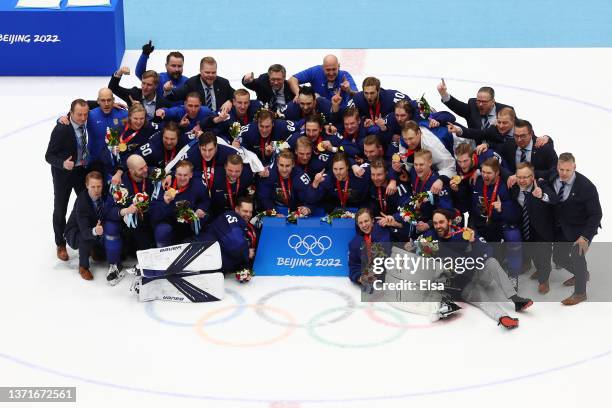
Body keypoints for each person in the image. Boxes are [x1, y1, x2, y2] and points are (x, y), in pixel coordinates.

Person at [426, 209, 533, 329]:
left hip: (477, 274)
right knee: (483, 299)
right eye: (435, 223)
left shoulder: (464, 233)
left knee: (491, 262)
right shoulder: (430, 237)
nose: (438, 226)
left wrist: (473, 242)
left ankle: (516, 300)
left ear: (449, 222)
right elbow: (418, 249)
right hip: (463, 284)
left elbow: (488, 251)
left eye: (441, 222)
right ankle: (503, 317)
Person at [550, 153, 602, 305]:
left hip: (582, 228)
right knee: (559, 258)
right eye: (561, 169)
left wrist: (585, 237)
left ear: (574, 167)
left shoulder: (586, 187)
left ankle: (580, 293)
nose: (564, 173)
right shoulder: (554, 176)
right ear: (557, 167)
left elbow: (596, 214)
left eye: (568, 170)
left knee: (577, 255)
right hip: (564, 225)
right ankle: (582, 274)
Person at [46, 99, 91, 261]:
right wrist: (63, 164)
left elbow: (94, 103)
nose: (83, 118)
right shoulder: (61, 129)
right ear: (70, 113)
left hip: (81, 171)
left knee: (87, 204)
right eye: (79, 114)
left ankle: (88, 238)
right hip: (63, 174)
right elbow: (48, 156)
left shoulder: (86, 118)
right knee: (60, 208)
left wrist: (110, 104)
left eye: (85, 114)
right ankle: (60, 243)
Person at [103, 155, 155, 285]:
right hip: (126, 225)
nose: (145, 170)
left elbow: (172, 173)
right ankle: (114, 265)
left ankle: (149, 263)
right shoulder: (118, 184)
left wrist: (169, 176)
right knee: (110, 226)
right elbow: (108, 211)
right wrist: (124, 211)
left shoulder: (152, 174)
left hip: (147, 223)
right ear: (131, 171)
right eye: (141, 169)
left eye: (145, 166)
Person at [469, 157, 522, 286]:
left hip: (500, 223)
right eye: (483, 172)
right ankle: (474, 272)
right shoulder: (477, 181)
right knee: (467, 237)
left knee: (514, 237)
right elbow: (471, 207)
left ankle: (513, 275)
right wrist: (470, 227)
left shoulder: (506, 186)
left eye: (489, 173)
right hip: (481, 223)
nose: (485, 175)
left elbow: (516, 213)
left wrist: (503, 207)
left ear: (497, 173)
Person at [510, 163, 557, 294]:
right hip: (526, 227)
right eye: (519, 177)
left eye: (525, 177)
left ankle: (544, 280)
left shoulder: (542, 185)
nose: (522, 180)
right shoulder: (514, 187)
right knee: (532, 254)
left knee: (543, 256)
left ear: (532, 177)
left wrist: (542, 195)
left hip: (543, 230)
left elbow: (553, 199)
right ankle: (539, 268)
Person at [150, 160, 210, 247]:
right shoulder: (164, 185)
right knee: (162, 231)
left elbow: (205, 200)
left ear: (191, 175)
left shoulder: (198, 185)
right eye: (179, 174)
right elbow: (153, 214)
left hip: (187, 224)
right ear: (174, 174)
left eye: (185, 175)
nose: (182, 178)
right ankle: (163, 253)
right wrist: (165, 203)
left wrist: (200, 208)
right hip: (168, 222)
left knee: (203, 220)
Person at [63, 171, 107, 281]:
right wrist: (95, 231)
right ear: (87, 185)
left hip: (94, 226)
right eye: (93, 187)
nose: (96, 190)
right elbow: (84, 231)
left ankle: (94, 249)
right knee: (85, 238)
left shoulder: (105, 195)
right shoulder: (82, 202)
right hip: (76, 232)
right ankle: (83, 266)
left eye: (99, 186)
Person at [200, 196, 257, 273]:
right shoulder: (229, 216)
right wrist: (247, 252)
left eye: (250, 212)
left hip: (219, 268)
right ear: (237, 209)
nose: (248, 214)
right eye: (245, 211)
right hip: (202, 262)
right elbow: (235, 244)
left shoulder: (246, 226)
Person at [107, 103, 158, 186]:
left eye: (142, 118)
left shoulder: (148, 127)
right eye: (135, 118)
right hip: (121, 172)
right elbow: (107, 155)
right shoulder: (115, 130)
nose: (139, 122)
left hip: (142, 169)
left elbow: (163, 128)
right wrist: (112, 151)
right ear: (130, 117)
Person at [499, 118, 558, 187]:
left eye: (523, 136)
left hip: (538, 189)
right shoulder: (509, 145)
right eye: (516, 136)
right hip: (514, 189)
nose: (519, 140)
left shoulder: (544, 148)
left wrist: (530, 174)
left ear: (531, 133)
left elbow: (555, 171)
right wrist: (508, 175)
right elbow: (499, 162)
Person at [165, 56, 234, 114]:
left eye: (213, 72)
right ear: (200, 71)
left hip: (220, 121)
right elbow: (174, 96)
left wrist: (230, 101)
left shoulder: (223, 83)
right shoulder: (191, 83)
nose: (210, 75)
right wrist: (167, 90)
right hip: (200, 123)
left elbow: (237, 95)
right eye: (207, 72)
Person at [257, 150, 314, 215]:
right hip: (274, 208)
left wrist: (308, 208)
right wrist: (274, 213)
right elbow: (264, 197)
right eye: (281, 165)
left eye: (287, 166)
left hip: (295, 210)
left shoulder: (301, 177)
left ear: (293, 165)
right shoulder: (268, 174)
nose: (284, 170)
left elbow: (311, 197)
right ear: (277, 164)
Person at [436, 82, 514, 130]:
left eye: (484, 102)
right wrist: (443, 94)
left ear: (493, 101)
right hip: (475, 151)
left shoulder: (506, 111)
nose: (480, 104)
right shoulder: (473, 106)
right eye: (478, 101)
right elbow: (457, 106)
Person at [288, 54, 358, 107]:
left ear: (338, 66)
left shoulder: (345, 76)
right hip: (318, 112)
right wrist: (298, 94)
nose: (331, 73)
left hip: (339, 112)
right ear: (323, 67)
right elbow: (292, 79)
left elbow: (358, 95)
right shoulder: (315, 71)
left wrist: (348, 90)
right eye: (328, 70)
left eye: (334, 69)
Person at [348, 208, 391, 287]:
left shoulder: (384, 231)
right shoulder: (354, 243)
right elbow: (354, 267)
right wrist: (360, 278)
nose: (364, 225)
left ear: (372, 220)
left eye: (366, 221)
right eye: (360, 223)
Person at [85, 88, 128, 168]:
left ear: (113, 100)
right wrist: (62, 119)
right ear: (98, 101)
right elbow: (74, 119)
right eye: (103, 100)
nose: (106, 103)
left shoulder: (124, 115)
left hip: (116, 164)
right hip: (94, 163)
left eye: (109, 100)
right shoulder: (89, 115)